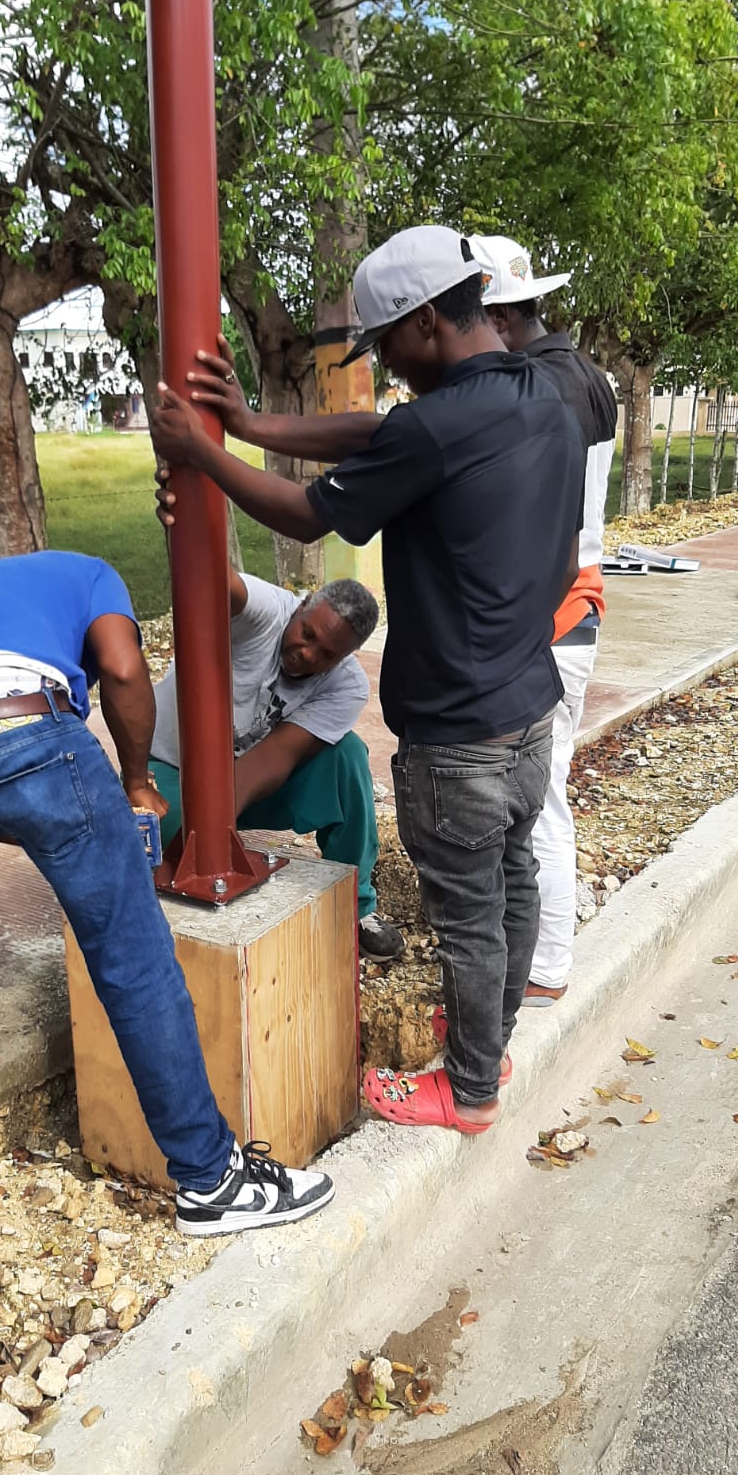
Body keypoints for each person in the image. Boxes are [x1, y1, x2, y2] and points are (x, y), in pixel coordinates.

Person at [149, 225, 585, 1137]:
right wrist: (252, 426)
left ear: (425, 322)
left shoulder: (435, 427)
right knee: (513, 883)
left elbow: (309, 516)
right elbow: (383, 435)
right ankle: (489, 1040)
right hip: (528, 708)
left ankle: (469, 1090)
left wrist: (206, 452)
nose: (385, 364)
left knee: (470, 915)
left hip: (458, 732)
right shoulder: (541, 391)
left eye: (385, 344)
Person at [0, 551, 334, 1237]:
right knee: (130, 949)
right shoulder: (97, 574)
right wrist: (135, 781)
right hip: (15, 721)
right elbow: (124, 668)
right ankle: (212, 1180)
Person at [472, 235, 618, 1007]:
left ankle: (546, 965)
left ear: (497, 318)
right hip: (574, 610)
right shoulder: (588, 377)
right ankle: (538, 954)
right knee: (539, 794)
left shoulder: (534, 389)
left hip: (548, 620)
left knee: (540, 800)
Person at [149, 550, 405, 961]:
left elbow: (272, 762)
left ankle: (355, 908)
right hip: (172, 768)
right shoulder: (266, 611)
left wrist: (212, 832)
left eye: (327, 655)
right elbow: (212, 577)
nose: (308, 654)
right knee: (163, 851)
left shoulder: (346, 686)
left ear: (345, 657)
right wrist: (180, 527)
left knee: (348, 755)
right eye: (308, 634)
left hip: (251, 782)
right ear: (302, 605)